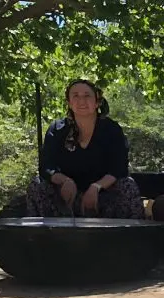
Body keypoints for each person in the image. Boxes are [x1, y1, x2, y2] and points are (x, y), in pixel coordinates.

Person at [27, 80, 144, 219]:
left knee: (127, 186)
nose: (81, 100)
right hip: (67, 197)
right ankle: (41, 236)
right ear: (69, 103)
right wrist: (64, 181)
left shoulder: (111, 129)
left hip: (102, 195)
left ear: (97, 102)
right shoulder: (57, 129)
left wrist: (96, 187)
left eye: (87, 95)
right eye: (76, 95)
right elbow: (46, 166)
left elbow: (119, 168)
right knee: (37, 185)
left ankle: (131, 236)